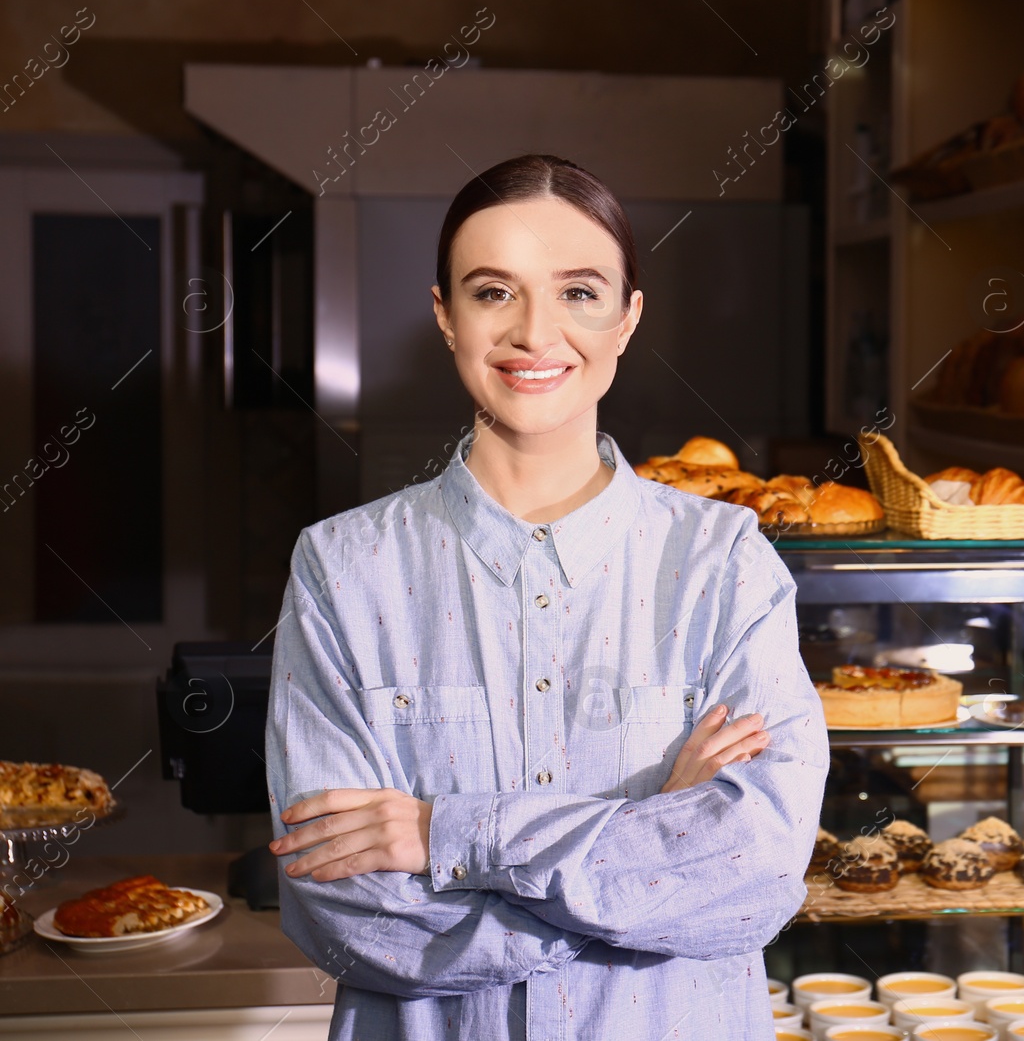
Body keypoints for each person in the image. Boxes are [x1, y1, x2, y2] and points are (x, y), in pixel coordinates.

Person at [265, 154, 828, 1039]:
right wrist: (643, 845)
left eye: (579, 292)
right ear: (446, 316)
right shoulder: (342, 569)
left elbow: (751, 878)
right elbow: (349, 917)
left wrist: (445, 834)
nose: (536, 332)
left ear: (627, 319)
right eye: (494, 292)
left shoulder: (727, 564)